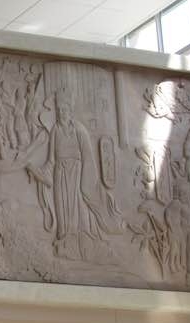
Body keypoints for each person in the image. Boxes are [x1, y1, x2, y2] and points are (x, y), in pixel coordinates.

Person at [27, 92, 122, 261]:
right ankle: (65, 243)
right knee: (62, 207)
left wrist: (86, 180)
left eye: (64, 110)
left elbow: (88, 157)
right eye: (59, 110)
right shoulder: (55, 130)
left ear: (70, 111)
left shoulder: (79, 129)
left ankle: (83, 245)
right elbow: (51, 159)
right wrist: (39, 171)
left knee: (78, 208)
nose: (61, 113)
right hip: (60, 173)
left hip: (77, 173)